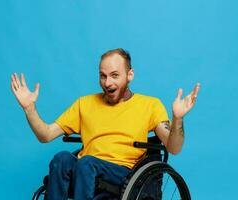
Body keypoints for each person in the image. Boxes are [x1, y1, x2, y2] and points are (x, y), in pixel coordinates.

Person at [11, 48, 200, 200]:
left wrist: (177, 119)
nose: (107, 82)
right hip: (86, 169)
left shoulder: (149, 105)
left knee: (86, 164)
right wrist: (29, 109)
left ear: (130, 74)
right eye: (103, 76)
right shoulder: (84, 104)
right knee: (62, 158)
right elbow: (45, 135)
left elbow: (173, 147)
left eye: (115, 75)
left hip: (124, 173)